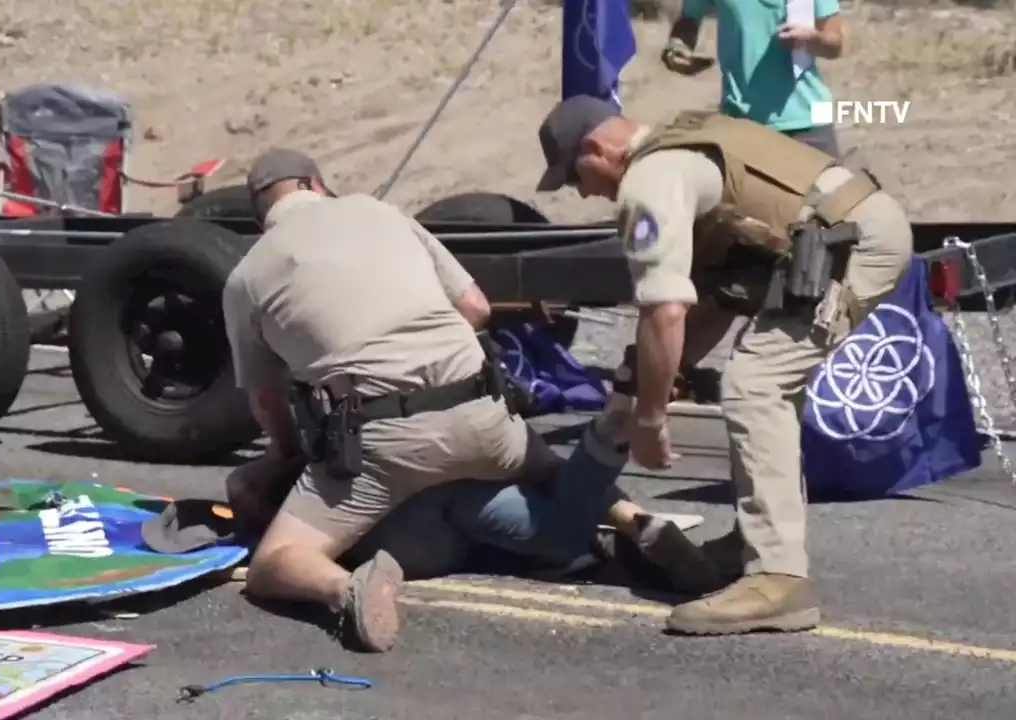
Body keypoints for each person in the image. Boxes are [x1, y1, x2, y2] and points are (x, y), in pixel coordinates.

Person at [222, 148, 715, 651]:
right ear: (315, 183)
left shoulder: (247, 276)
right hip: (481, 409)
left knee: (274, 562)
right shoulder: (379, 212)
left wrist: (289, 452)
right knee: (547, 474)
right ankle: (632, 516)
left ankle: (344, 587)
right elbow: (476, 308)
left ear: (261, 212)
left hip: (384, 440)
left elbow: (265, 398)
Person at [533, 95, 912, 635]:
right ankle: (752, 545)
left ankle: (778, 579)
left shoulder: (648, 181)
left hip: (852, 244)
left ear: (598, 148)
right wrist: (643, 377)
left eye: (577, 175)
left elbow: (665, 309)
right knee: (763, 379)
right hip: (843, 232)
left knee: (756, 383)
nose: (584, 191)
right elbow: (719, 301)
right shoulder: (685, 143)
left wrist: (649, 420)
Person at [228, 355, 722, 593]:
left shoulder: (310, 504)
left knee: (555, 536)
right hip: (458, 456)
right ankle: (628, 515)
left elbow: (245, 489)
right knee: (541, 502)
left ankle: (611, 475)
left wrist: (280, 462)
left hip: (422, 521)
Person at [662, 0, 846, 158]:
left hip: (808, 124)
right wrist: (678, 44)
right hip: (741, 124)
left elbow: (835, 43)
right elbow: (689, 19)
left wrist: (811, 39)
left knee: (830, 197)